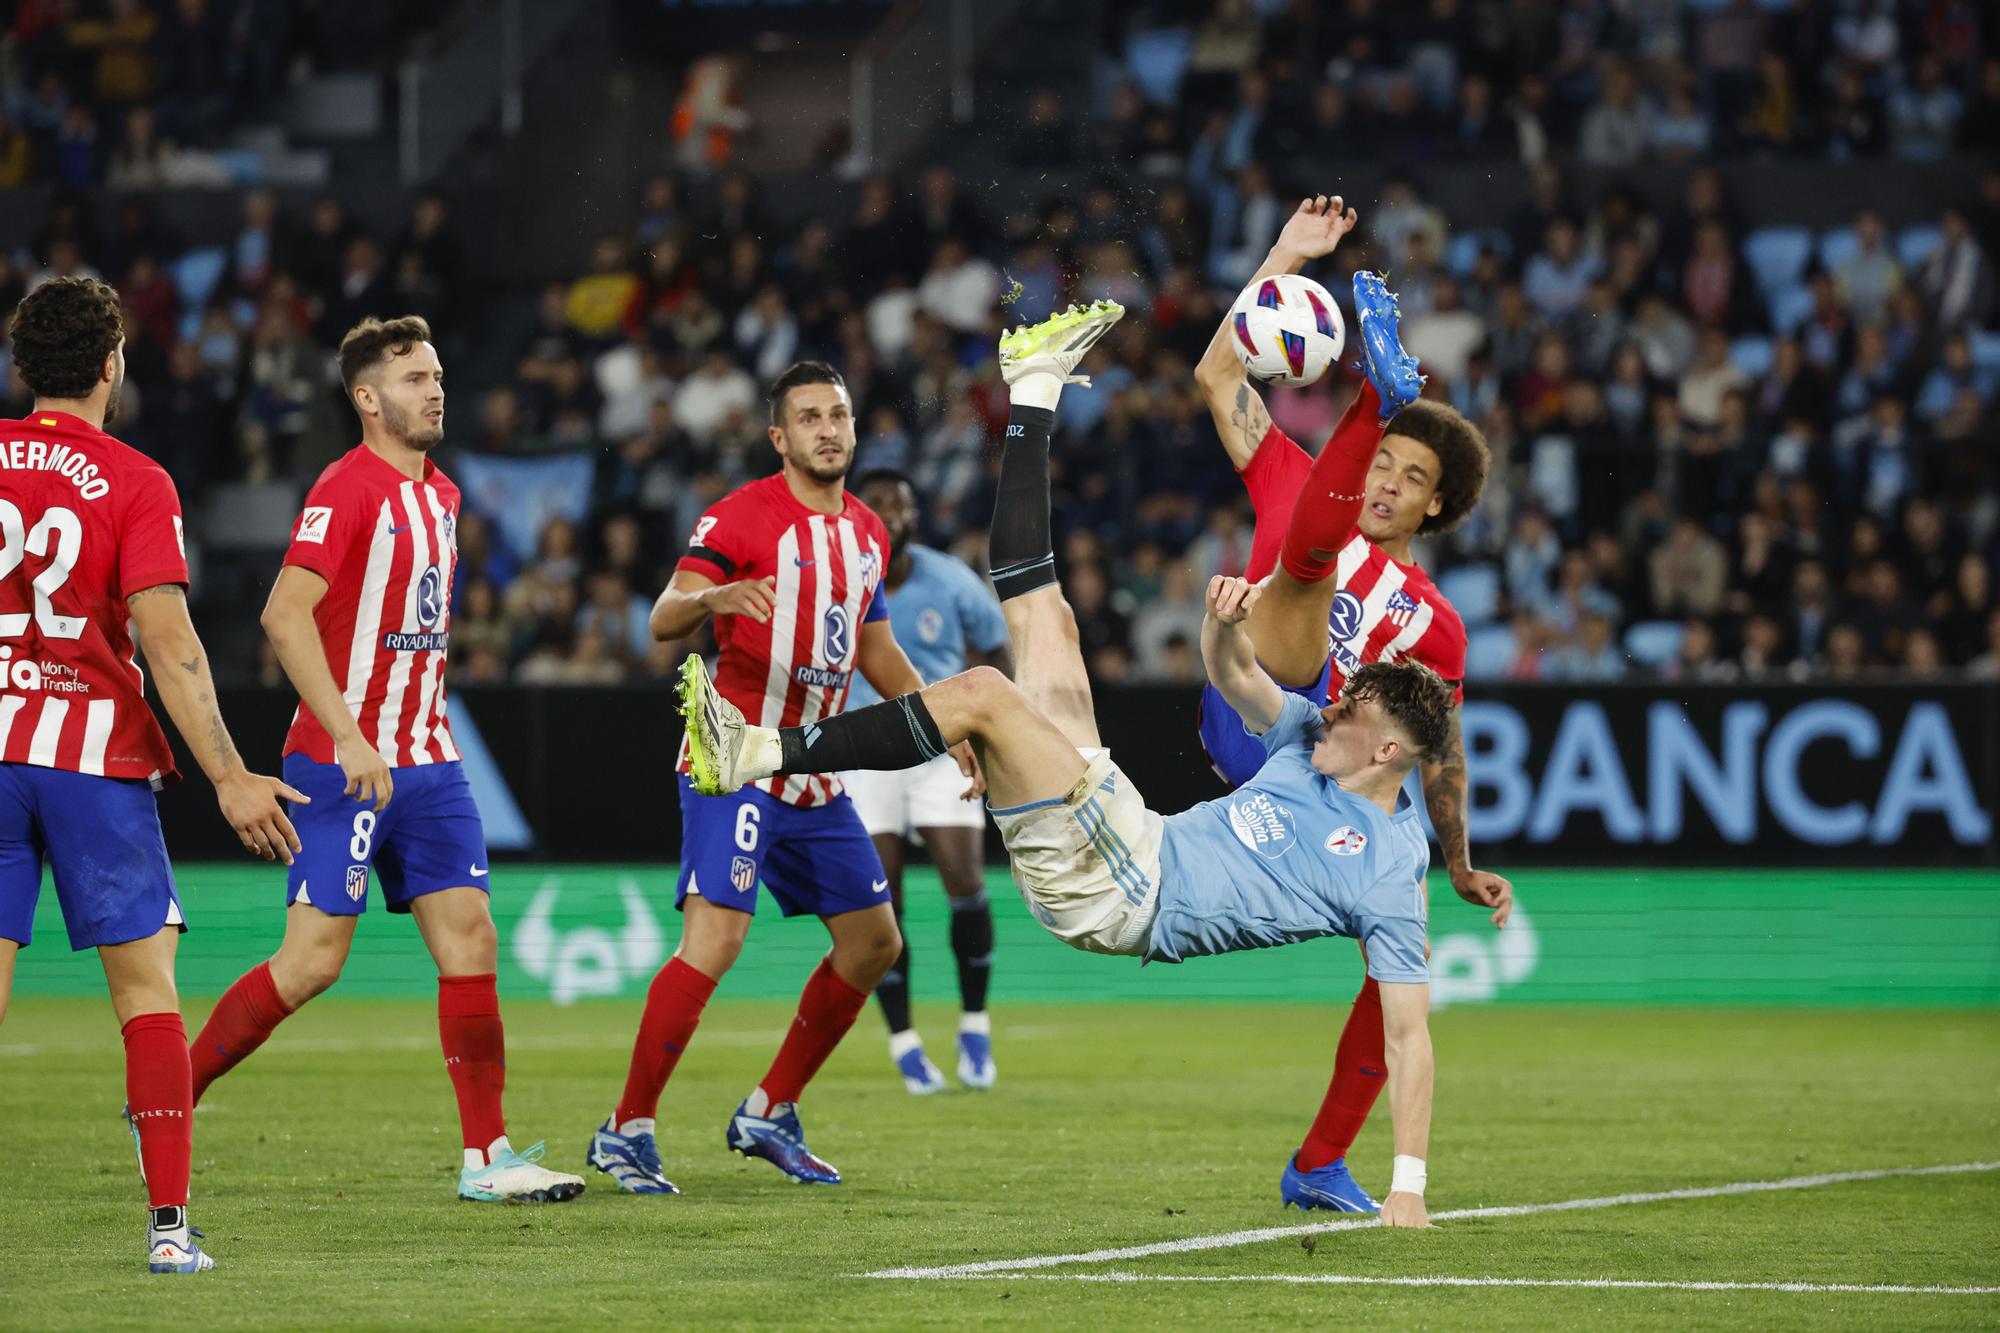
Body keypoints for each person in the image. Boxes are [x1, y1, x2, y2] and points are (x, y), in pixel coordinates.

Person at [681, 302, 1447, 1226]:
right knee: (1045, 619)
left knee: (984, 694)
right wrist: (1220, 617)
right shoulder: (1308, 739)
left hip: (1125, 892)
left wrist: (1409, 1184)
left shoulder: (1391, 866)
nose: (1333, 701)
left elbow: (1407, 1033)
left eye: (1353, 706)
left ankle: (758, 747)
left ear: (1391, 748)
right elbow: (1233, 671)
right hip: (1131, 828)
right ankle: (1035, 389)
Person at [186, 316, 585, 1206]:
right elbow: (284, 617)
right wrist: (353, 733)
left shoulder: (441, 494)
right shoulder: (347, 487)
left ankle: (488, 1156)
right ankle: (172, 1094)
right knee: (313, 962)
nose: (435, 389)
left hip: (431, 763)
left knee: (470, 938)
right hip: (342, 760)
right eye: (412, 378)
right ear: (366, 399)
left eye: (437, 374)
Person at [1188, 195, 1514, 1216]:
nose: (1386, 483)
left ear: (1435, 506)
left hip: (1332, 781)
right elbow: (1215, 373)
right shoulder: (1294, 475)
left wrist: (1454, 858)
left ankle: (1320, 1160)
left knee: (1395, 966)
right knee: (1304, 560)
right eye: (1378, 459)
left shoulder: (1437, 626)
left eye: (1408, 477)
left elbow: (1439, 749)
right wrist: (1284, 255)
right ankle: (1374, 390)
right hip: (1254, 712)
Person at [588, 361, 972, 1194]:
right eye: (809, 417)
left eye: (838, 414)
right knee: (717, 938)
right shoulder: (740, 515)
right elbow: (662, 617)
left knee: (875, 943)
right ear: (779, 437)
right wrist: (716, 597)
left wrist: (944, 724)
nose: (827, 429)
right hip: (733, 759)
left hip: (812, 767)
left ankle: (770, 1108)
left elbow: (877, 650)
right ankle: (627, 1128)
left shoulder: (869, 532)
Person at [0, 277, 303, 1273]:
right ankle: (170, 1230)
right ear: (109, 367)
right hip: (92, 758)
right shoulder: (134, 479)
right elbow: (169, 642)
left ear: (19, 370)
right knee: (146, 994)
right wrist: (228, 774)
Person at [842, 468, 1011, 1094]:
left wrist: (993, 727)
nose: (890, 514)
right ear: (861, 513)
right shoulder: (846, 579)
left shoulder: (949, 578)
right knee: (883, 906)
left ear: (915, 515)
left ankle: (974, 1026)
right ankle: (905, 1042)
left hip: (941, 747)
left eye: (901, 504)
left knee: (965, 882)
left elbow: (997, 648)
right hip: (862, 752)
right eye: (878, 504)